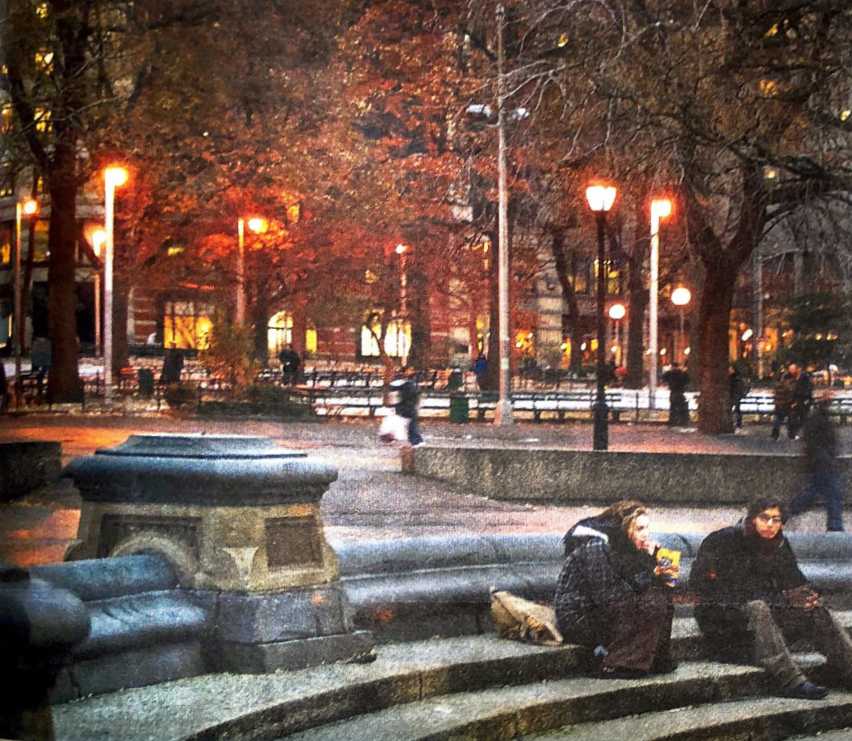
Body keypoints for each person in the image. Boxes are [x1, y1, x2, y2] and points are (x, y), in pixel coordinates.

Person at [690, 496, 852, 700]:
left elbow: (795, 580)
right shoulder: (722, 540)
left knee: (815, 609)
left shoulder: (779, 544)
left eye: (776, 520)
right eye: (764, 518)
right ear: (752, 518)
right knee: (758, 606)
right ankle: (790, 681)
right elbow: (701, 586)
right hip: (724, 625)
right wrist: (779, 600)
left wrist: (807, 595)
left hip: (763, 624)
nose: (770, 525)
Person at [554, 500, 677, 678]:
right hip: (578, 616)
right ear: (623, 526)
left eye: (647, 528)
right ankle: (618, 664)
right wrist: (650, 571)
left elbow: (632, 585)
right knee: (650, 599)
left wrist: (654, 560)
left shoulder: (623, 544)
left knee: (660, 596)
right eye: (640, 529)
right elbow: (608, 596)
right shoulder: (596, 544)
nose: (646, 534)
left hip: (605, 607)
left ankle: (656, 658)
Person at [789, 392, 845, 532]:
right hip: (822, 462)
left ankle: (789, 511)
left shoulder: (816, 418)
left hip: (819, 462)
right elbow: (816, 442)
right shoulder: (819, 420)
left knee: (815, 491)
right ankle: (835, 526)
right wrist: (826, 457)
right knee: (832, 493)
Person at [772, 363, 811, 440]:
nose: (792, 371)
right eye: (791, 369)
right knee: (786, 418)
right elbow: (791, 391)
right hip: (786, 402)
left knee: (789, 419)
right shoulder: (789, 380)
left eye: (793, 369)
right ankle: (784, 434)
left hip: (786, 402)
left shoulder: (788, 378)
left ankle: (784, 434)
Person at [390, 366, 423, 446]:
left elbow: (393, 397)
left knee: (407, 424)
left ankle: (413, 440)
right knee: (411, 424)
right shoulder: (409, 384)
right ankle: (416, 440)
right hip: (409, 406)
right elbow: (415, 394)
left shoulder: (395, 385)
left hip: (402, 407)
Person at [661, 362, 690, 426]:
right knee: (680, 406)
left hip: (674, 392)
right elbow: (687, 380)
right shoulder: (681, 373)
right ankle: (681, 421)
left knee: (673, 407)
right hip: (680, 392)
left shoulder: (670, 373)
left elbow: (663, 378)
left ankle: (673, 421)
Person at [729, 365, 749, 430]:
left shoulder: (734, 378)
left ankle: (737, 423)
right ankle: (737, 423)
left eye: (731, 369)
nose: (729, 370)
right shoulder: (736, 378)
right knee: (736, 409)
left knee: (735, 409)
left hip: (734, 395)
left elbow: (738, 387)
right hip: (735, 395)